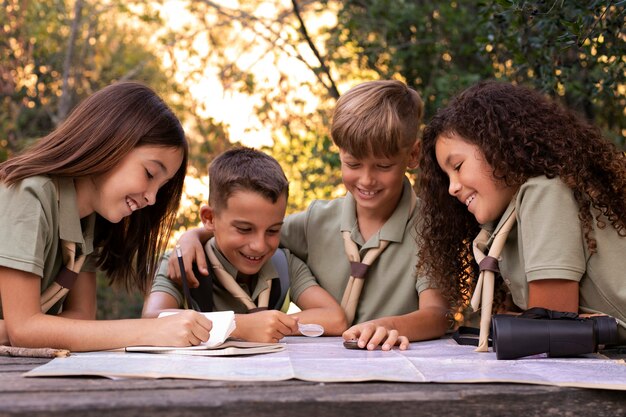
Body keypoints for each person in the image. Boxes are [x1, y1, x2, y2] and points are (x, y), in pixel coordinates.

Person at [169, 80, 450, 350]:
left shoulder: (430, 228)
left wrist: (385, 326)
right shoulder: (316, 221)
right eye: (352, 163)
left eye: (383, 166)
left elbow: (437, 314)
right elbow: (255, 232)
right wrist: (192, 235)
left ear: (413, 155)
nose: (366, 179)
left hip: (395, 362)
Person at [0, 81, 212, 351]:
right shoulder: (28, 194)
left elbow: (81, 317)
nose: (152, 198)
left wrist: (18, 329)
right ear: (111, 141)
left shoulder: (86, 223)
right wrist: (151, 330)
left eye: (161, 186)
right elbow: (26, 330)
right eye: (149, 174)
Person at [417, 80, 626, 346]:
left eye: (457, 166)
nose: (452, 188)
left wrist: (523, 324)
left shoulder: (545, 192)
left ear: (498, 146)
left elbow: (548, 332)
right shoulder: (506, 221)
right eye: (447, 177)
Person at [142, 147, 347, 343]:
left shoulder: (285, 265)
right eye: (244, 229)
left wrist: (272, 325)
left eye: (273, 230)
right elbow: (151, 320)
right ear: (209, 218)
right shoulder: (182, 262)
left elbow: (335, 319)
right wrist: (240, 326)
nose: (259, 246)